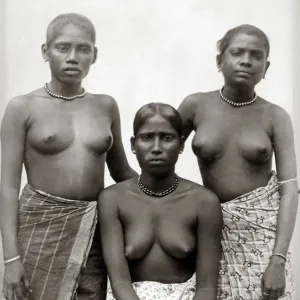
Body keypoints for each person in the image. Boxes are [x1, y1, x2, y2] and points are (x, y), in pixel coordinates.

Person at [0, 13, 137, 300]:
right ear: (45, 51)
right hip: (38, 232)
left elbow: (122, 172)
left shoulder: (105, 106)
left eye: (83, 49)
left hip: (92, 232)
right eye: (63, 47)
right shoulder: (22, 107)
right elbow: (8, 187)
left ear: (94, 55)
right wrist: (11, 259)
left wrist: (174, 191)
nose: (73, 57)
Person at [178, 24, 298, 300]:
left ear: (266, 68)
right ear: (219, 61)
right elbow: (160, 157)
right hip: (209, 230)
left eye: (256, 56)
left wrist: (278, 260)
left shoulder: (275, 116)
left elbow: (290, 189)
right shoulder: (195, 106)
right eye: (237, 53)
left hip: (262, 235)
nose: (246, 60)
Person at [98, 102, 223, 300]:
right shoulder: (112, 199)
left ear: (181, 144)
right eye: (147, 138)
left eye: (167, 138)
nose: (156, 148)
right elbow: (119, 283)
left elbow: (206, 288)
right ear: (133, 144)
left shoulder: (204, 202)